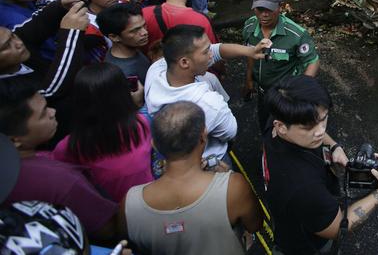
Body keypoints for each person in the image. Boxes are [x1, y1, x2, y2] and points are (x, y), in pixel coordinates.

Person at [264, 75, 378, 255]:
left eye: (323, 119)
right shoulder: (304, 187)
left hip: (288, 219)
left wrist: (334, 147)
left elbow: (315, 125)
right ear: (281, 127)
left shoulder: (276, 120)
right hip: (304, 245)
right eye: (308, 127)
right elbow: (337, 228)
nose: (320, 131)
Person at [120, 101, 262, 254]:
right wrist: (223, 180)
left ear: (154, 145)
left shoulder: (130, 203)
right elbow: (255, 225)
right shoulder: (234, 188)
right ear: (203, 137)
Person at [0, 74, 119, 239]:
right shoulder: (61, 181)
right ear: (14, 140)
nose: (53, 112)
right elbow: (108, 228)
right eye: (43, 114)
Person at [144, 24, 269, 163]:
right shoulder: (209, 104)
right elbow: (229, 133)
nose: (211, 55)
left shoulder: (156, 70)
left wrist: (250, 51)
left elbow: (216, 51)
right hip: (212, 160)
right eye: (205, 52)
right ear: (185, 62)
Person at [51, 63, 153, 202]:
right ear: (124, 93)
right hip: (145, 202)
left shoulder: (70, 146)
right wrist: (137, 105)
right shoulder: (141, 124)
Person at [243, 0, 320, 130]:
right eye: (259, 9)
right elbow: (250, 53)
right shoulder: (249, 26)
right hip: (263, 92)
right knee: (265, 124)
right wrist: (248, 79)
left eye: (269, 9)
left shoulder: (297, 34)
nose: (264, 15)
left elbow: (312, 61)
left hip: (285, 96)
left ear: (281, 7)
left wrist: (300, 92)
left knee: (286, 128)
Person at [99, 2, 151, 82]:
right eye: (135, 30)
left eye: (144, 25)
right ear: (114, 37)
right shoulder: (123, 74)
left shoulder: (132, 48)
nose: (144, 32)